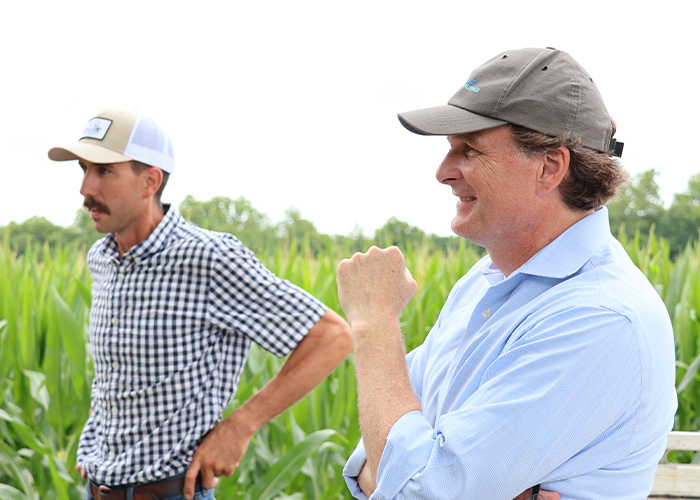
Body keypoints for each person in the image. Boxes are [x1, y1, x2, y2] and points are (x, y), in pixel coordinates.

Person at [336, 47, 677, 499]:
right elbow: (377, 456)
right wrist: (404, 465)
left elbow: (413, 488)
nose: (443, 172)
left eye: (469, 150)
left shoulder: (600, 317)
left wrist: (375, 323)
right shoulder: (484, 281)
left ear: (549, 167)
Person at [48, 108, 353, 500]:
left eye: (104, 171)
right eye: (84, 169)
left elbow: (331, 336)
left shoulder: (208, 258)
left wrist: (241, 426)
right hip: (95, 489)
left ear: (150, 181)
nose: (86, 187)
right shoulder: (102, 258)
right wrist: (99, 435)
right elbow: (117, 371)